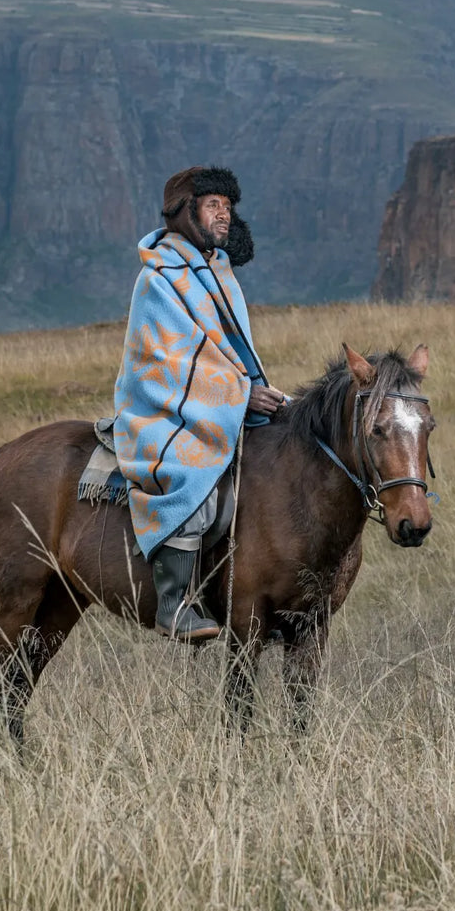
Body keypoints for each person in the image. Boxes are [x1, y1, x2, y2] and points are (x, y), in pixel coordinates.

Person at [113, 166, 286, 641]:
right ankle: (175, 603)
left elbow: (227, 350)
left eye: (228, 208)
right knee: (194, 473)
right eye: (213, 206)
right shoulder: (158, 277)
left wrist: (259, 393)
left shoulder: (218, 270)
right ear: (185, 212)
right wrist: (239, 393)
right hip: (165, 409)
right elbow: (168, 361)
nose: (224, 216)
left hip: (220, 403)